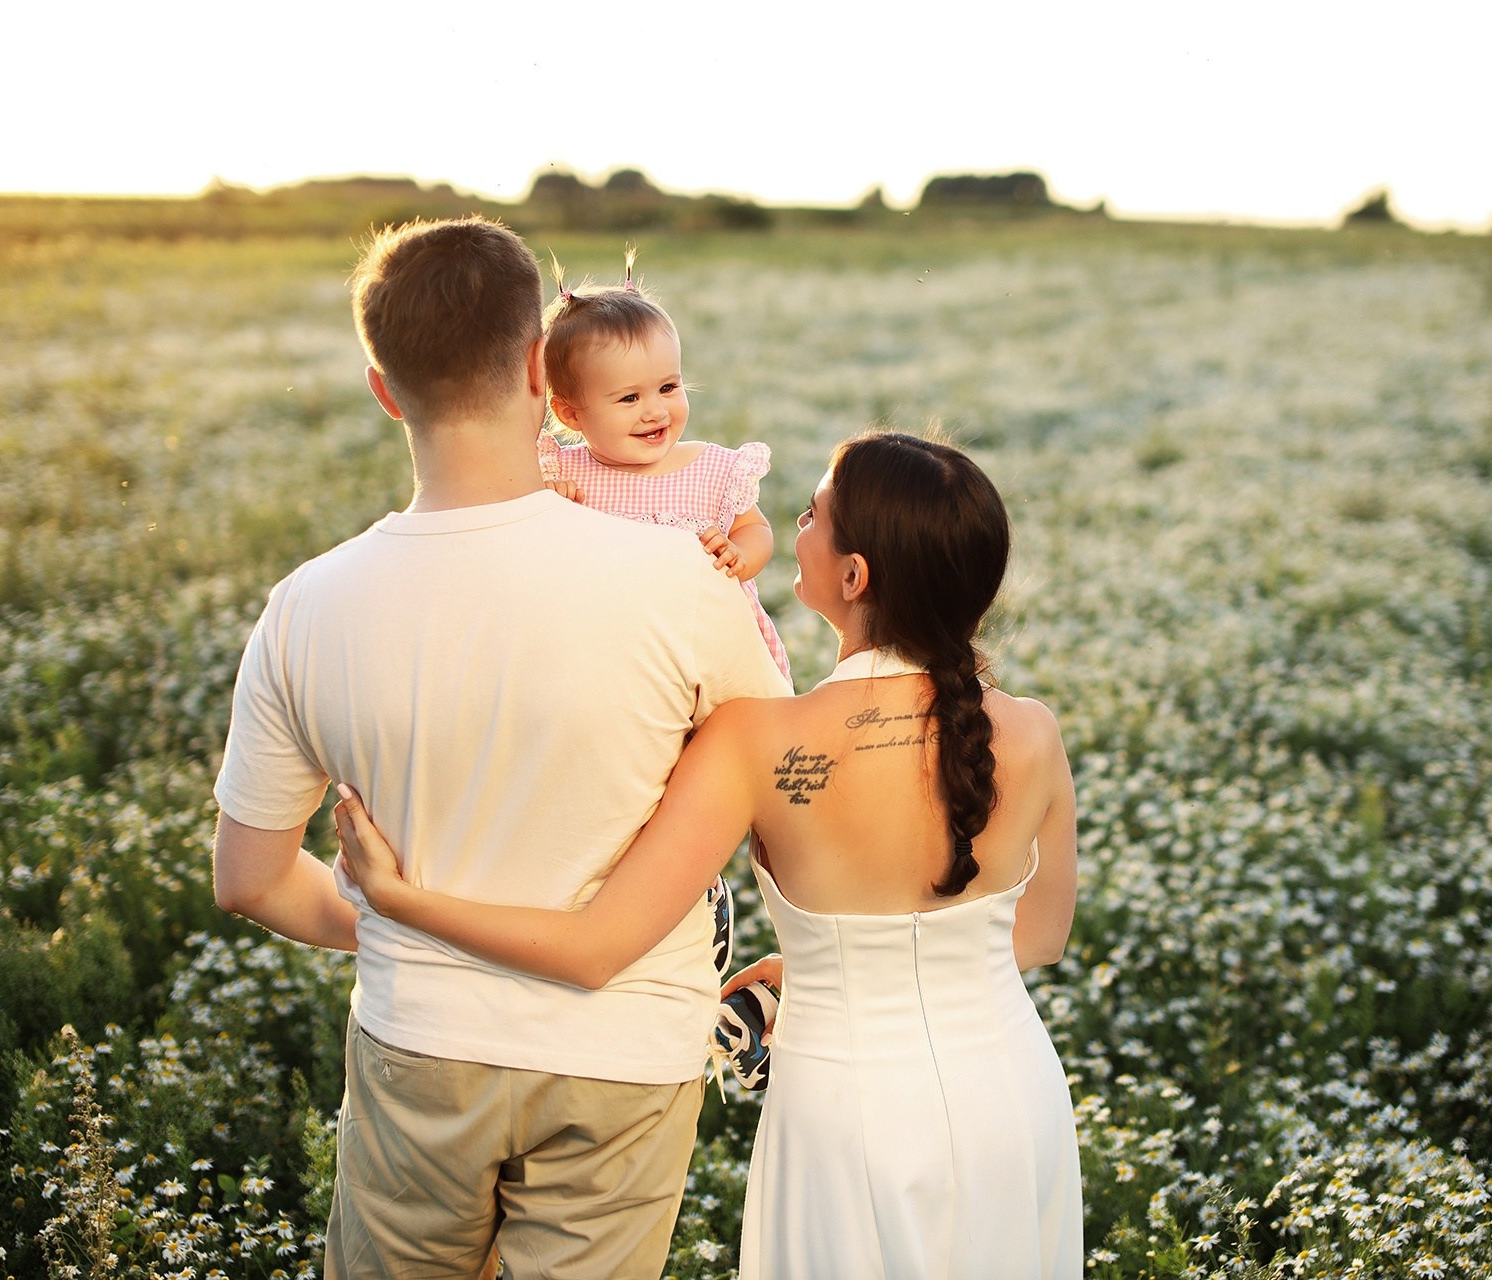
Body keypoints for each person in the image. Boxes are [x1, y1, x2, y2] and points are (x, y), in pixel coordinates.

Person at [333, 431, 1084, 1278]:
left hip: (849, 1119)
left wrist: (399, 898)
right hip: (1011, 1100)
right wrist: (848, 967)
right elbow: (1037, 938)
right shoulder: (1034, 732)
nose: (793, 527)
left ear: (854, 577)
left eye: (813, 514)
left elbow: (594, 950)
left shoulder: (756, 740)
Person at [210, 216, 789, 1279]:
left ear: (385, 390)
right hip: (624, 1052)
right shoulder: (684, 581)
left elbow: (248, 880)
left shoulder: (304, 607)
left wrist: (409, 919)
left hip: (419, 1045)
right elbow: (785, 791)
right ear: (539, 369)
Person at [536, 251, 789, 682]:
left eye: (668, 387)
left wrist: (741, 555)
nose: (655, 411)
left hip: (712, 653)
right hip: (617, 660)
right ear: (570, 414)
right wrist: (551, 512)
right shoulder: (563, 479)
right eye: (629, 398)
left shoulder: (712, 469)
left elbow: (754, 528)